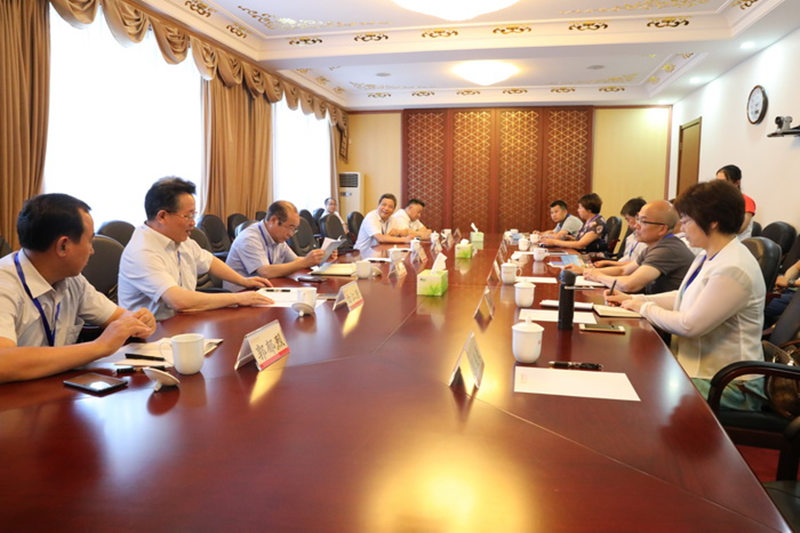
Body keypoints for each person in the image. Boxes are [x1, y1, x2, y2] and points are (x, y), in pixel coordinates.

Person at [606, 180, 766, 410]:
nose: (681, 228)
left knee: (635, 383)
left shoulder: (734, 267)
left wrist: (643, 308)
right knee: (627, 367)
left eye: (687, 220)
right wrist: (635, 300)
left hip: (729, 385)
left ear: (712, 221)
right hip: (699, 370)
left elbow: (690, 326)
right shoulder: (708, 254)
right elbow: (682, 296)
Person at [0, 194, 157, 384]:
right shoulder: (5, 284)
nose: (92, 250)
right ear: (63, 246)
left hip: (55, 390)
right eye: (89, 241)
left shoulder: (72, 280)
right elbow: (3, 363)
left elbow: (117, 317)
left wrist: (137, 321)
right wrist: (99, 346)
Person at [118, 177, 273, 321]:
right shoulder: (142, 252)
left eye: (194, 215)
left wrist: (243, 281)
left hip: (183, 321)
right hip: (150, 333)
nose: (193, 223)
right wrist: (238, 298)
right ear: (162, 216)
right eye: (188, 216)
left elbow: (209, 261)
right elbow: (179, 301)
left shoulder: (180, 239)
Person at [579, 200, 695, 294]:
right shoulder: (654, 246)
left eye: (643, 221)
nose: (636, 225)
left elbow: (630, 285)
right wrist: (589, 272)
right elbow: (623, 270)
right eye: (638, 219)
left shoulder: (667, 249)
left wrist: (598, 276)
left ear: (662, 229)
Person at [225, 200, 336, 289]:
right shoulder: (250, 238)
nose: (291, 234)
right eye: (290, 228)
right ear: (273, 220)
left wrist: (320, 258)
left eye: (294, 229)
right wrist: (305, 262)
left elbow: (295, 261)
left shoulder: (277, 237)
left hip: (265, 288)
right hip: (240, 295)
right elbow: (265, 272)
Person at [540, 193, 607, 253]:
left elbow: (580, 245)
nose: (578, 210)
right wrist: (571, 238)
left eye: (580, 208)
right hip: (581, 253)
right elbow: (583, 241)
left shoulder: (597, 224)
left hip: (591, 257)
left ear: (589, 209)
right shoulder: (590, 221)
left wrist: (554, 242)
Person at [593, 197, 647, 268]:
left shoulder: (646, 242)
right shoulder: (631, 237)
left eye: (628, 220)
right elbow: (626, 258)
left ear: (638, 217)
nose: (628, 225)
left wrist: (607, 263)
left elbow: (635, 265)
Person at [716, 164, 756, 239]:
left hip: (739, 242)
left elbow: (739, 229)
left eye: (723, 182)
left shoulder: (747, 201)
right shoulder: (718, 200)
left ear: (737, 183)